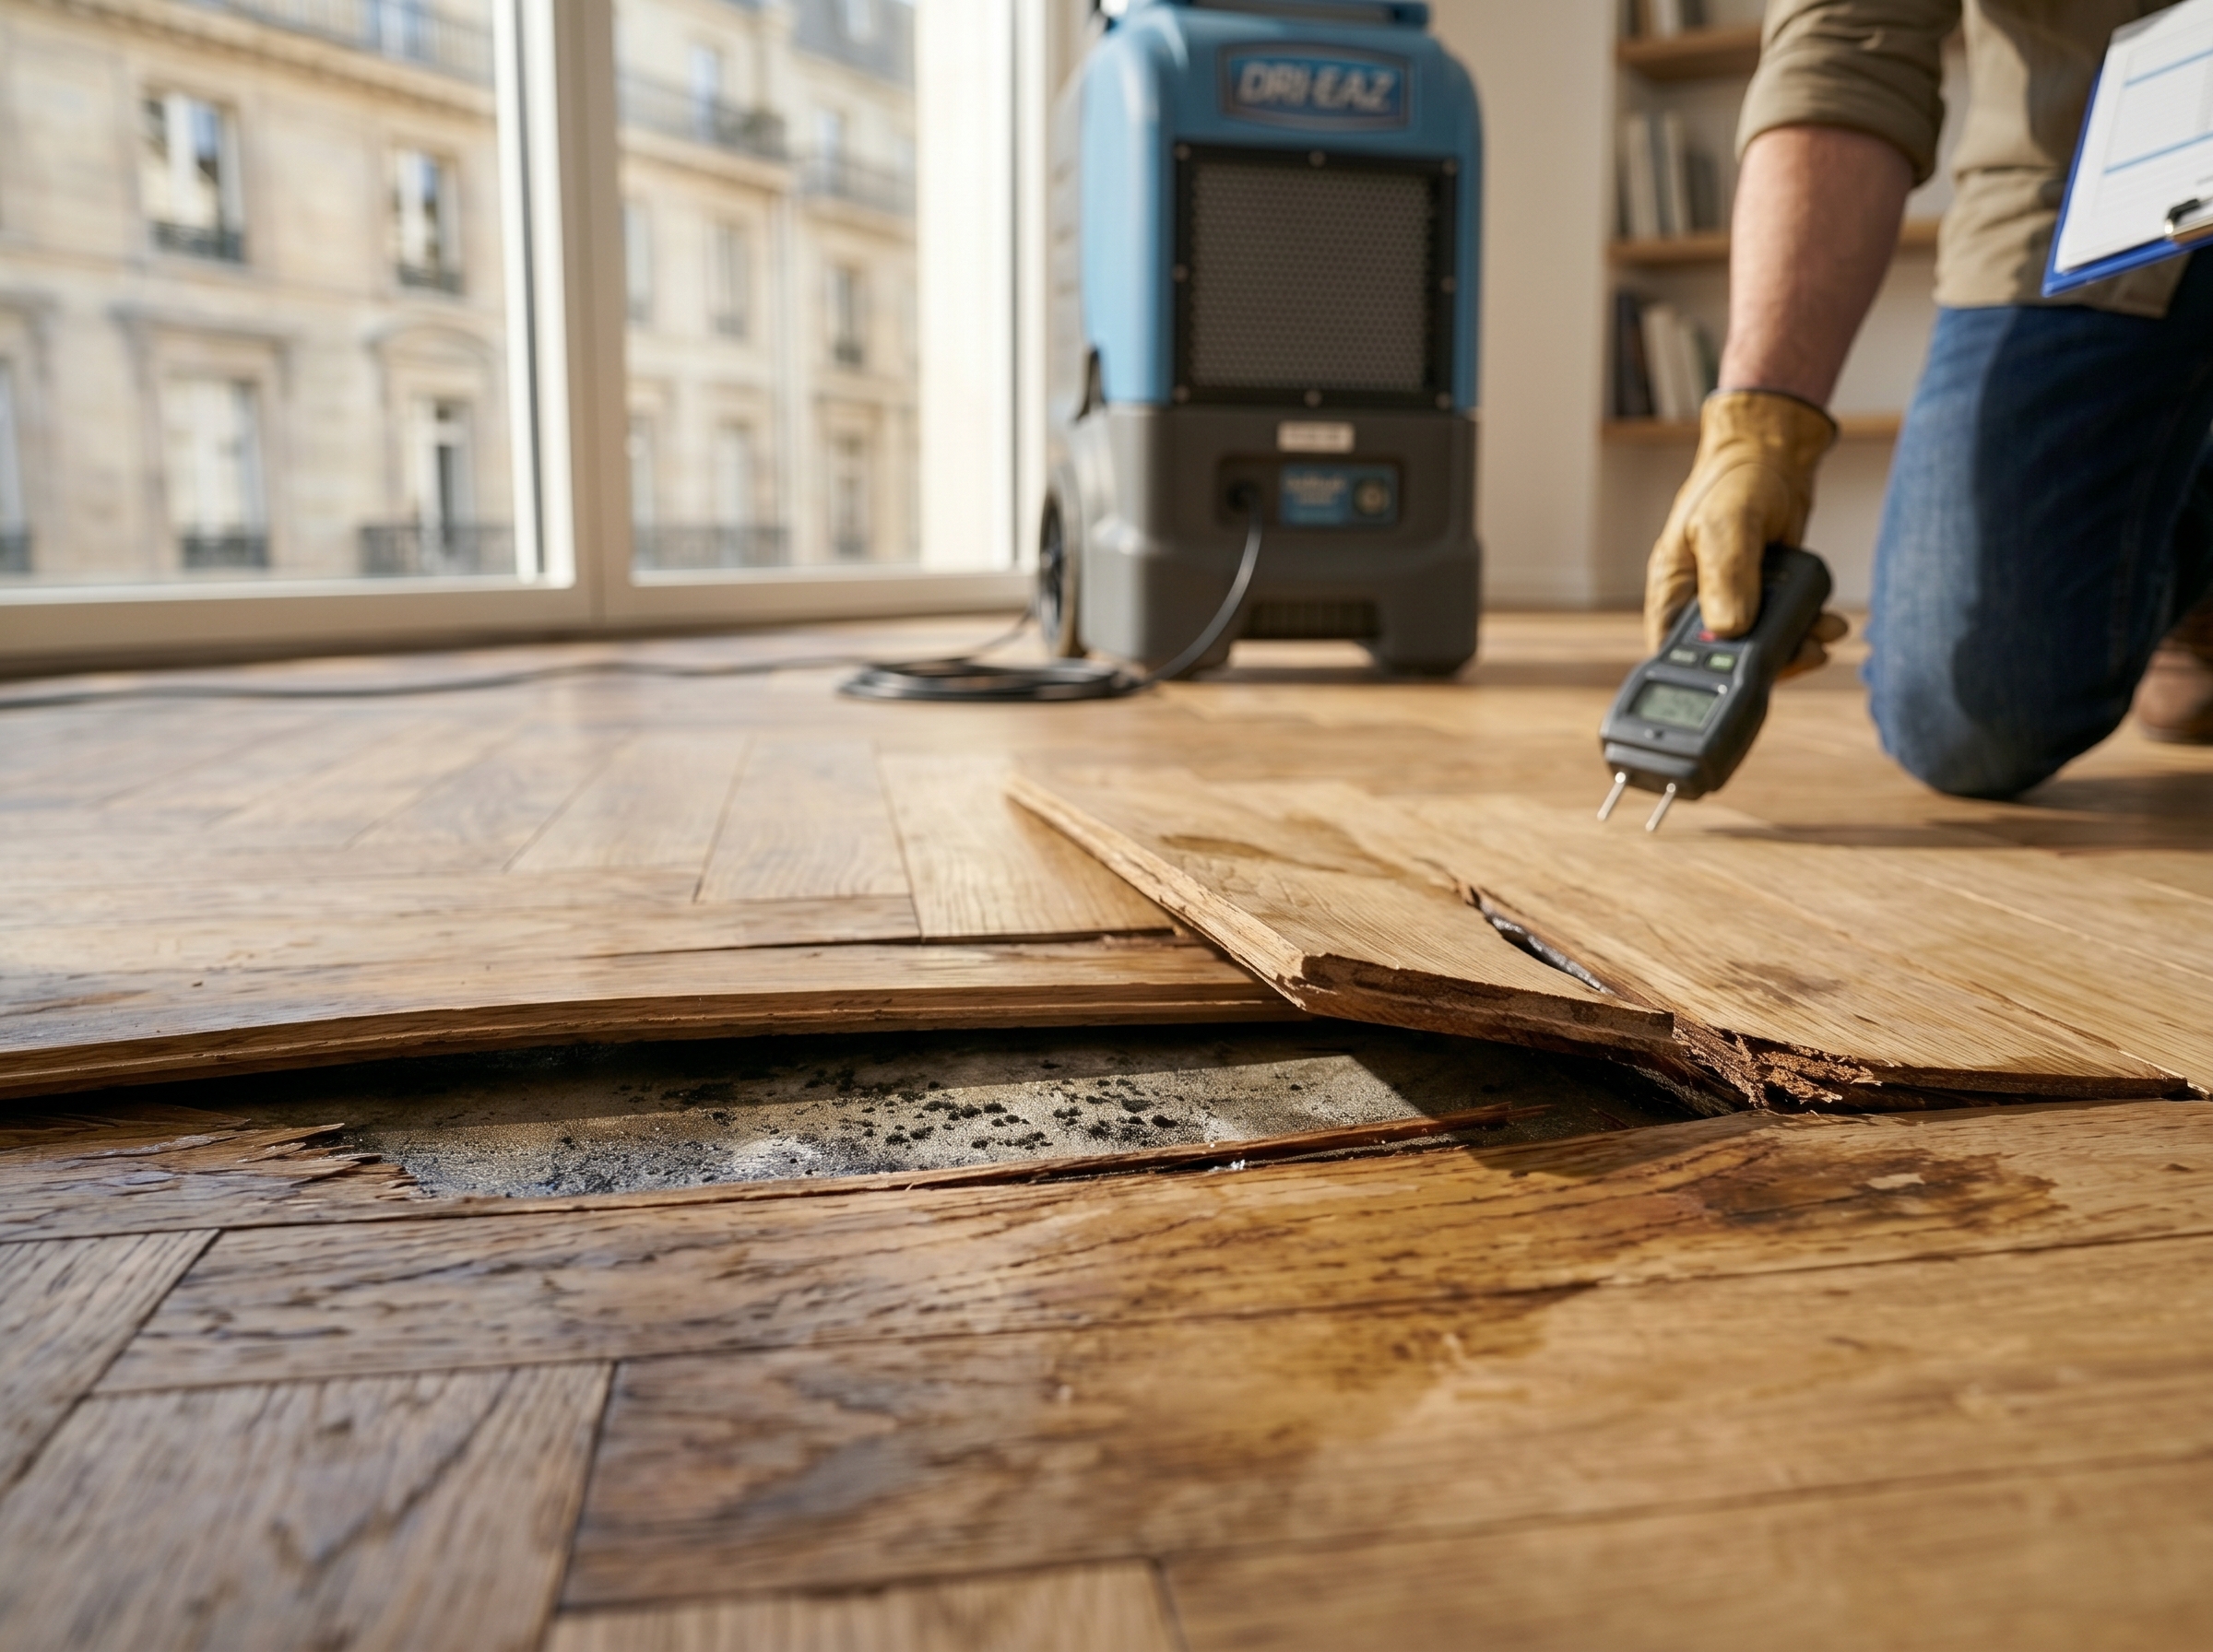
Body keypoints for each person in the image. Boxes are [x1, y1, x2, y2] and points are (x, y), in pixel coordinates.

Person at [1645, 0, 2213, 800]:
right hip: (2084, 185)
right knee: (1970, 712)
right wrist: (1760, 429)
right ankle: (2187, 530)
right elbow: (1845, 42)